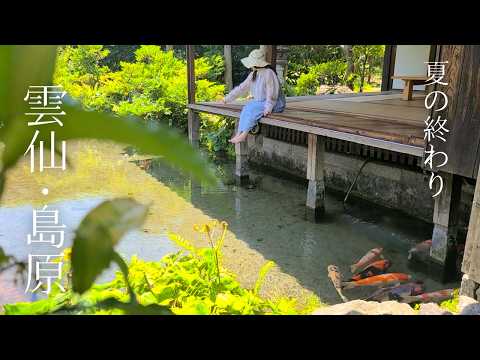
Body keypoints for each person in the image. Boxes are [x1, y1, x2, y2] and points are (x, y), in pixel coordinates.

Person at [223, 47, 286, 144]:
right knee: (247, 107)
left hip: (275, 103)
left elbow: (272, 92)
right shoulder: (253, 74)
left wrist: (268, 107)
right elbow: (241, 88)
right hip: (262, 102)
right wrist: (227, 99)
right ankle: (239, 133)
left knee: (252, 109)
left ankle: (244, 135)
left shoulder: (269, 73)